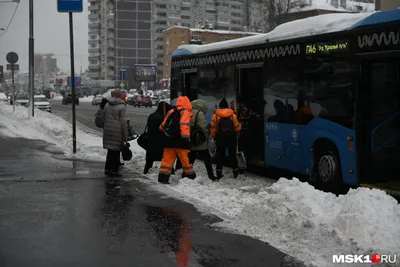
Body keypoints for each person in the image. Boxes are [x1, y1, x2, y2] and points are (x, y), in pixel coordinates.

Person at [158, 96, 196, 184]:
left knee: (166, 161)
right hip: (180, 141)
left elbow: (162, 126)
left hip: (168, 141)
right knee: (186, 161)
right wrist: (186, 139)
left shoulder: (171, 111)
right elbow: (184, 125)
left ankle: (163, 178)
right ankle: (191, 178)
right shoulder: (185, 112)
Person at [176, 99, 217, 180]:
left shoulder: (187, 112)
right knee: (207, 160)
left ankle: (185, 174)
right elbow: (203, 127)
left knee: (190, 159)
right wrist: (205, 136)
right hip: (200, 141)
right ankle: (211, 176)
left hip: (190, 139)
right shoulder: (199, 113)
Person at [210, 98, 242, 179]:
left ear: (220, 107)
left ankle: (219, 173)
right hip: (231, 138)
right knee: (232, 155)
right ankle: (235, 171)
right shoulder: (233, 115)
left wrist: (214, 136)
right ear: (227, 107)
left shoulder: (215, 116)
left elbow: (213, 129)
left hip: (220, 138)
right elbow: (237, 128)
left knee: (220, 155)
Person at [103, 89, 128, 177]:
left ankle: (107, 169)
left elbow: (104, 117)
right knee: (116, 151)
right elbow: (123, 123)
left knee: (110, 151)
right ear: (120, 96)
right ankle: (114, 170)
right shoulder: (121, 107)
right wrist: (126, 136)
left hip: (108, 130)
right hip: (117, 131)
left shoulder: (107, 105)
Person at [144, 101, 172, 174]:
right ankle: (170, 172)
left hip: (150, 141)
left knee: (149, 160)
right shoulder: (163, 118)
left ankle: (146, 172)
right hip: (160, 141)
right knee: (165, 158)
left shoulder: (152, 115)